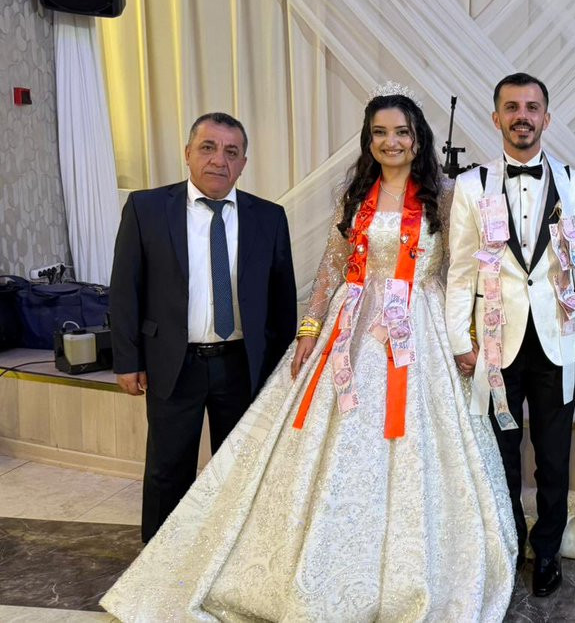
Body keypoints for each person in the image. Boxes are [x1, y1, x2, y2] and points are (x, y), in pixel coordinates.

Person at [101, 87, 517, 621]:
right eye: (380, 133)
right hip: (353, 325)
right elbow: (330, 269)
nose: (391, 142)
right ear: (368, 140)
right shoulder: (355, 194)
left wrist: (468, 335)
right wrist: (310, 329)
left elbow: (466, 273)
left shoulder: (449, 195)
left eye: (401, 132)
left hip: (421, 332)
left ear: (418, 138)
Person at [445, 72, 575, 597]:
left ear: (546, 118)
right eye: (511, 107)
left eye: (532, 107)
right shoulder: (471, 186)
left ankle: (548, 550)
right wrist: (459, 340)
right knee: (502, 453)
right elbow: (461, 270)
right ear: (496, 118)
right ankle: (509, 542)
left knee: (554, 456)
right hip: (496, 343)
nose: (522, 116)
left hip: (557, 341)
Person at [108, 112, 297, 543]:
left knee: (242, 468)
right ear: (188, 153)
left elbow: (282, 301)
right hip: (174, 363)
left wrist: (279, 371)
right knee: (167, 470)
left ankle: (232, 554)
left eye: (231, 152)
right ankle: (159, 562)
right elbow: (124, 289)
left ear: (243, 163)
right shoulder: (146, 209)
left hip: (243, 367)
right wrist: (127, 359)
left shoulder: (269, 217)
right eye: (208, 148)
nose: (218, 160)